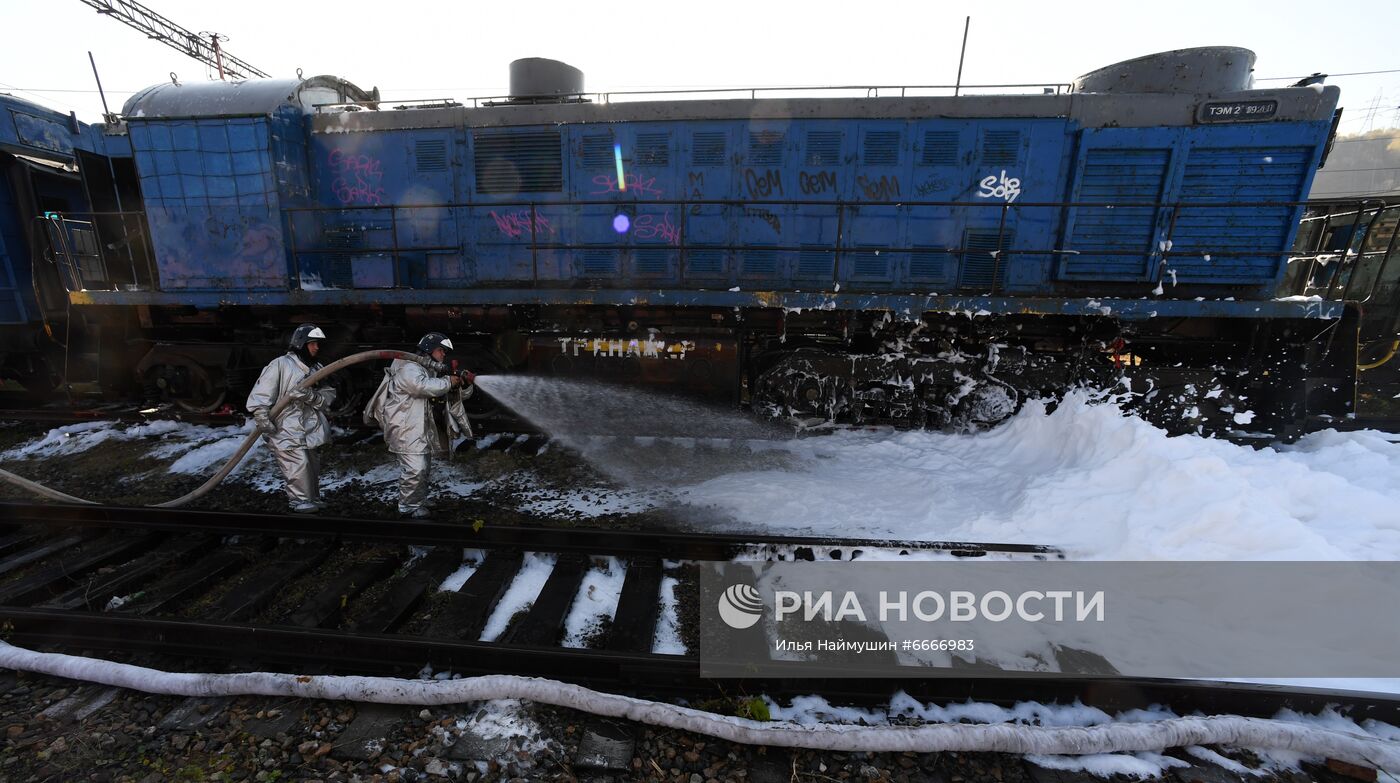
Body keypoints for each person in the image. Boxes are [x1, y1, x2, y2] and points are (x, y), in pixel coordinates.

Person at [365, 332, 475, 518]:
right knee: (415, 468)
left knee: (423, 465)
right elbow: (422, 387)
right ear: (428, 349)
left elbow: (451, 393)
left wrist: (462, 384)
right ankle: (408, 508)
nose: (443, 355)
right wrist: (448, 381)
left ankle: (418, 498)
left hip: (418, 428)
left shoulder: (427, 369)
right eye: (441, 350)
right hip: (405, 428)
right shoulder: (408, 367)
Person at [246, 323, 338, 513]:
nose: (316, 348)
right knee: (298, 465)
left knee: (311, 465)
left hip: (309, 427)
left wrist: (309, 396)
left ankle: (312, 498)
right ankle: (301, 502)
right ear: (301, 343)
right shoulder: (281, 365)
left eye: (317, 344)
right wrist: (262, 416)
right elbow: (262, 393)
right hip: (285, 426)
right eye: (312, 344)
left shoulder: (317, 368)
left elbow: (327, 398)